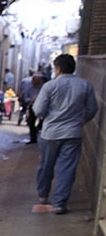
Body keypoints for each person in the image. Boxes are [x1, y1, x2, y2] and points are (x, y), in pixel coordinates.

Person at [32, 54, 98, 215]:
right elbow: (92, 109)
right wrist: (79, 121)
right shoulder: (85, 85)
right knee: (67, 168)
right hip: (73, 133)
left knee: (46, 165)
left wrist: (49, 117)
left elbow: (38, 110)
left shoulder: (49, 86)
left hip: (50, 134)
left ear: (58, 68)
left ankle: (43, 196)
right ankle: (60, 203)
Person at [25, 73, 44, 144]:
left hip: (42, 106)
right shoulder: (29, 88)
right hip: (32, 106)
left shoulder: (43, 88)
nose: (33, 82)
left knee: (42, 122)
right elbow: (25, 97)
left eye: (35, 81)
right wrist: (30, 100)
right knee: (31, 122)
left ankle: (40, 133)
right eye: (33, 80)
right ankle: (33, 138)